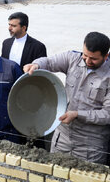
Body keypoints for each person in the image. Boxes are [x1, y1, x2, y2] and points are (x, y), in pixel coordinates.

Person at [24, 32, 110, 164]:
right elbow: (49, 62)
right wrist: (36, 65)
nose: (87, 61)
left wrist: (77, 114)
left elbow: (107, 114)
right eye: (85, 55)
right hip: (62, 139)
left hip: (90, 145)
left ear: (106, 56)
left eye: (93, 59)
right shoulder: (72, 58)